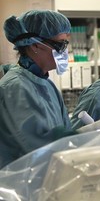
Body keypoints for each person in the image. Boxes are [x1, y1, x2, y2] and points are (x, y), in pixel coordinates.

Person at [0, 9, 75, 168]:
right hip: (19, 186)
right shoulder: (15, 88)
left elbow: (64, 134)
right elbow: (43, 145)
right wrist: (99, 127)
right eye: (60, 44)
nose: (65, 51)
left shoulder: (46, 84)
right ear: (35, 45)